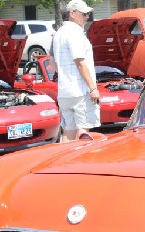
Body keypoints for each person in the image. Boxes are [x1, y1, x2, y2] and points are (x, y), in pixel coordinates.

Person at [52, 0, 100, 142]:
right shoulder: (75, 33)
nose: (87, 17)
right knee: (83, 130)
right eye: (84, 14)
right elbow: (80, 62)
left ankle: (63, 162)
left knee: (68, 131)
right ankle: (79, 163)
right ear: (72, 14)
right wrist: (92, 88)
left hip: (65, 91)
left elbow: (53, 63)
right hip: (80, 90)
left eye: (88, 14)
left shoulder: (59, 33)